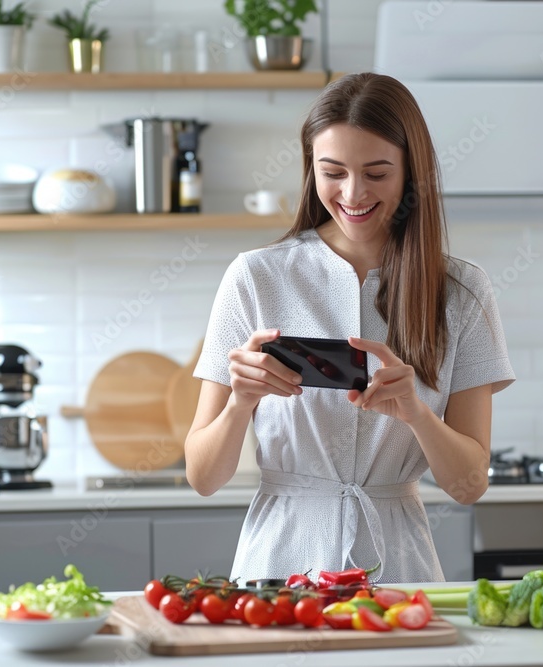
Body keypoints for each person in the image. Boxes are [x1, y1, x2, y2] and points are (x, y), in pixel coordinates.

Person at [185, 72, 514, 584]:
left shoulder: (462, 292)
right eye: (332, 171)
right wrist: (239, 402)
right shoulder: (255, 277)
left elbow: (469, 485)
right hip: (279, 564)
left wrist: (417, 414)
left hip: (398, 565)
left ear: (412, 172)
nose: (353, 193)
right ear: (310, 168)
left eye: (377, 173)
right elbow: (203, 477)